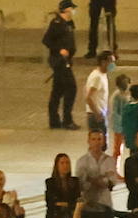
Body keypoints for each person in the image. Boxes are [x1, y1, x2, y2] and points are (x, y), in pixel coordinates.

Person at [43, 0, 78, 130]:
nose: (74, 11)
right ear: (67, 9)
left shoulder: (68, 23)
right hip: (59, 61)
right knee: (71, 88)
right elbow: (46, 40)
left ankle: (54, 120)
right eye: (72, 8)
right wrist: (59, 50)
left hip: (66, 61)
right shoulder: (56, 23)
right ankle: (67, 120)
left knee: (57, 90)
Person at [85, 49, 116, 134]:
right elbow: (88, 97)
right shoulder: (97, 77)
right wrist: (98, 113)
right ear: (103, 62)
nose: (113, 65)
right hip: (95, 116)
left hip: (99, 114)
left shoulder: (102, 75)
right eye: (111, 62)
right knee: (99, 144)